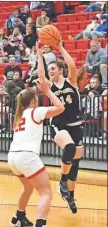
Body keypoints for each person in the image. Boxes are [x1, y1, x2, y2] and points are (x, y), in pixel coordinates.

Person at [8, 78, 64, 227]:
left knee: (28, 187)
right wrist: (48, 92)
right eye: (37, 97)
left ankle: (19, 217)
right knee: (46, 192)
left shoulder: (19, 115)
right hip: (27, 156)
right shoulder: (35, 111)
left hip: (13, 157)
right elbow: (60, 108)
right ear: (33, 100)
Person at [37, 40, 84, 214]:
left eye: (53, 69)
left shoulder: (71, 82)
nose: (51, 72)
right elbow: (41, 76)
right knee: (70, 147)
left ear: (60, 70)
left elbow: (72, 66)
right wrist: (40, 55)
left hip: (76, 125)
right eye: (50, 70)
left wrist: (60, 47)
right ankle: (62, 182)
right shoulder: (49, 86)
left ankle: (70, 194)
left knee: (76, 164)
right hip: (58, 124)